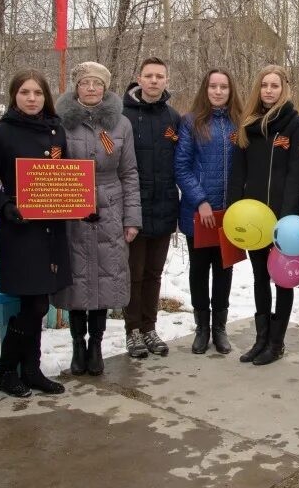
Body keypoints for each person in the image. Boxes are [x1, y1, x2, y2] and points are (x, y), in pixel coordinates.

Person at [0, 69, 73, 397]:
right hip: (21, 231)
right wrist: (5, 206)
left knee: (41, 302)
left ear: (45, 96)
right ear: (14, 96)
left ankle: (31, 369)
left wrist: (81, 205)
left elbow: (66, 177)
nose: (32, 98)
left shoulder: (56, 131)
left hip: (52, 229)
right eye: (25, 92)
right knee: (33, 305)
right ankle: (7, 371)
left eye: (37, 93)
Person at [53, 61, 142, 377]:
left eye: (97, 83)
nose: (91, 88)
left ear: (105, 88)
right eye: (84, 83)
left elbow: (129, 172)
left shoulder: (121, 124)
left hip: (109, 208)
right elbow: (48, 170)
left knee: (105, 280)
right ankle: (78, 345)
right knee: (77, 282)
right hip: (71, 208)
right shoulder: (60, 123)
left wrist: (131, 218)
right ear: (76, 87)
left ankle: (97, 346)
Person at [228, 64, 299, 366]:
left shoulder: (294, 123)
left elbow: (295, 173)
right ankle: (261, 339)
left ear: (283, 88)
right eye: (264, 85)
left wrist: (287, 217)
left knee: (281, 279)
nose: (269, 90)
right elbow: (239, 172)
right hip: (253, 219)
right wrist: (236, 209)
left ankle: (277, 342)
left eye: (274, 85)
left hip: (282, 219)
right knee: (260, 277)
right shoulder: (248, 124)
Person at [175, 68, 242, 354]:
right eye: (213, 86)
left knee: (224, 270)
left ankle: (220, 328)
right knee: (200, 270)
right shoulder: (191, 122)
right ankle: (202, 328)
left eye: (223, 87)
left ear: (230, 91)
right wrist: (200, 199)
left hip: (231, 214)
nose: (218, 91)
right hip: (199, 213)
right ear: (205, 89)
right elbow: (181, 166)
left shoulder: (239, 123)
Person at [121, 57, 180, 359]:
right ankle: (132, 330)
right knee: (135, 272)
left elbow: (179, 160)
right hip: (134, 208)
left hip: (165, 205)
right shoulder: (122, 116)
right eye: (149, 76)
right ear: (139, 79)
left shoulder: (172, 117)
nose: (154, 81)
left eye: (160, 76)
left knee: (155, 273)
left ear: (167, 81)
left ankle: (149, 327)